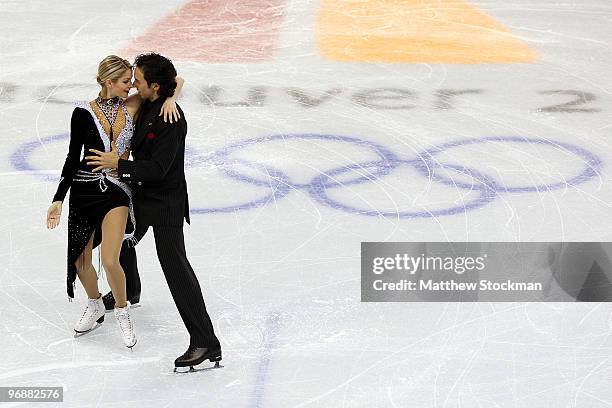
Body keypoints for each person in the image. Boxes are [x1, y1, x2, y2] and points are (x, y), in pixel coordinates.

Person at [86, 53, 222, 370]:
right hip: (141, 197)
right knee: (117, 238)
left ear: (155, 86)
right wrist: (173, 94)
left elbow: (159, 169)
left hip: (164, 203)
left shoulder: (171, 120)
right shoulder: (152, 100)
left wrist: (116, 164)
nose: (134, 84)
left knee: (176, 270)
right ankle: (130, 289)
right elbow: (179, 80)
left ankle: (205, 342)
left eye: (140, 81)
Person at [46, 55, 183, 348]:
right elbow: (73, 157)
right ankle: (95, 304)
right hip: (84, 191)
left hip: (117, 190)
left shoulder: (133, 106)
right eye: (125, 81)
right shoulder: (82, 113)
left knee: (110, 259)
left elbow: (174, 81)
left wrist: (172, 98)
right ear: (109, 82)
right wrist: (58, 199)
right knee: (80, 260)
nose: (131, 85)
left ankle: (122, 312)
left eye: (133, 80)